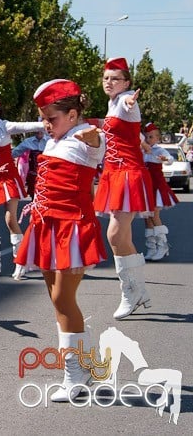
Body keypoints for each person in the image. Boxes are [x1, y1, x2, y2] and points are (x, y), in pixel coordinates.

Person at [15, 79, 106, 402]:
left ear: (72, 114)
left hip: (73, 229)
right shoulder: (55, 139)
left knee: (63, 299)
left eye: (51, 118)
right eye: (42, 117)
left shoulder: (87, 138)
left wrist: (91, 134)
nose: (45, 124)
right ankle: (85, 360)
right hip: (46, 226)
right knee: (57, 301)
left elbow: (98, 143)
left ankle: (75, 374)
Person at [93, 57, 155, 319]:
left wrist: (131, 99)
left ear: (127, 83)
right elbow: (129, 132)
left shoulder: (126, 100)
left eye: (114, 78)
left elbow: (130, 104)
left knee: (115, 236)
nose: (109, 82)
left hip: (128, 173)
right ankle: (136, 291)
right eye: (106, 78)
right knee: (123, 237)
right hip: (113, 172)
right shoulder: (112, 104)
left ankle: (132, 292)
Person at [0, 96, 43, 278]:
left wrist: (48, 121)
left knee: (10, 219)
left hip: (8, 178)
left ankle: (19, 261)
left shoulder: (5, 126)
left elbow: (27, 126)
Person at [141, 122, 177, 261]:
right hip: (145, 187)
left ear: (157, 138)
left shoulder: (159, 150)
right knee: (147, 217)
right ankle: (152, 247)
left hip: (156, 187)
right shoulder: (142, 150)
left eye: (151, 137)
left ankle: (163, 245)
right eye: (146, 136)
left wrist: (165, 159)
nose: (148, 139)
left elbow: (170, 159)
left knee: (154, 215)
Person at [12, 130, 49, 200]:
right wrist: (3, 158)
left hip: (47, 174)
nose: (39, 132)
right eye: (37, 129)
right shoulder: (28, 141)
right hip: (33, 174)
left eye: (40, 129)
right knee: (33, 195)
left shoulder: (50, 141)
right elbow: (16, 151)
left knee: (46, 195)